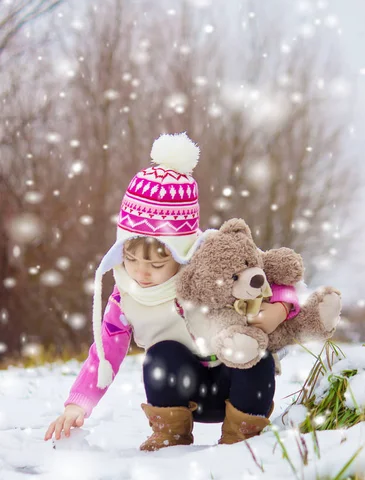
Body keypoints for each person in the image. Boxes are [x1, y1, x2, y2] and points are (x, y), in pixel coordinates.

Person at [44, 133, 300, 450]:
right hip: (182, 393)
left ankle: (242, 437)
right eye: (131, 258)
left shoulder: (213, 261)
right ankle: (170, 433)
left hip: (235, 384)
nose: (141, 271)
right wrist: (77, 404)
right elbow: (105, 350)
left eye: (156, 262)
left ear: (180, 252)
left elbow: (278, 277)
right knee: (161, 354)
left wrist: (281, 310)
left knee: (255, 356)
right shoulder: (126, 295)